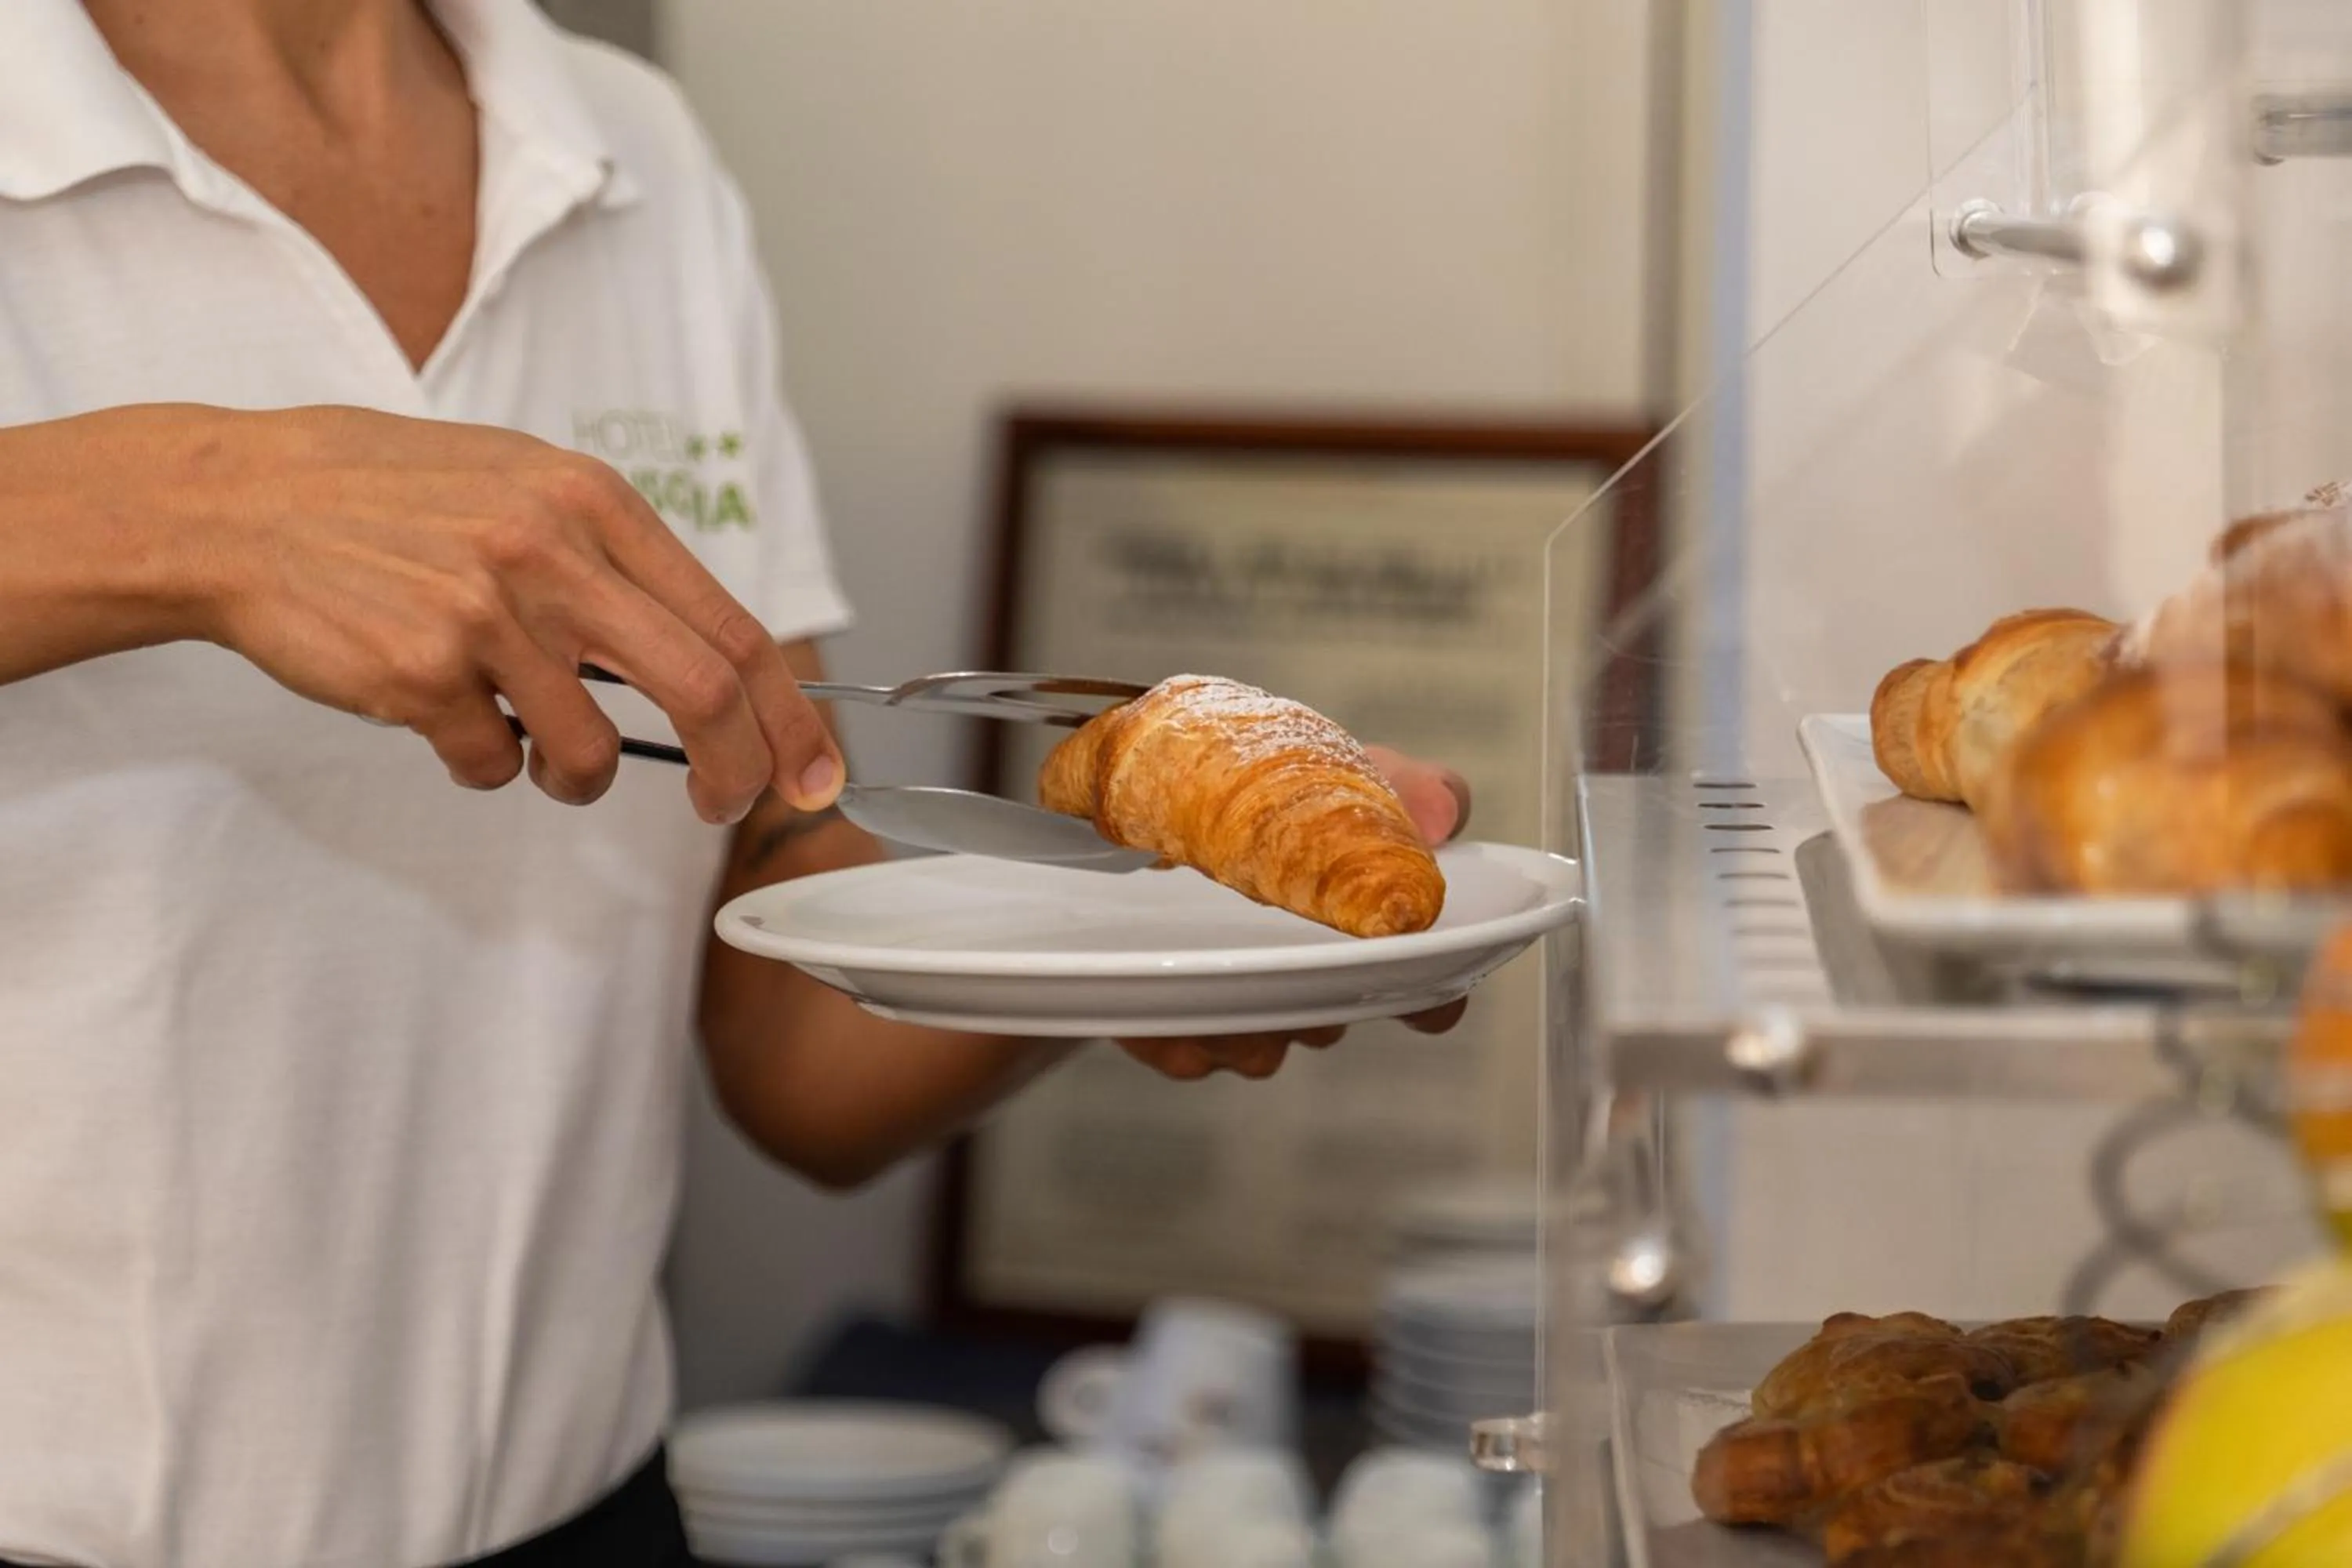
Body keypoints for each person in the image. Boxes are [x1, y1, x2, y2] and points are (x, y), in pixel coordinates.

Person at [0, 3, 1472, 1565]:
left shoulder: (632, 150)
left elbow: (787, 1017)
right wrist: (202, 509)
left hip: (589, 1516)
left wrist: (1113, 943)